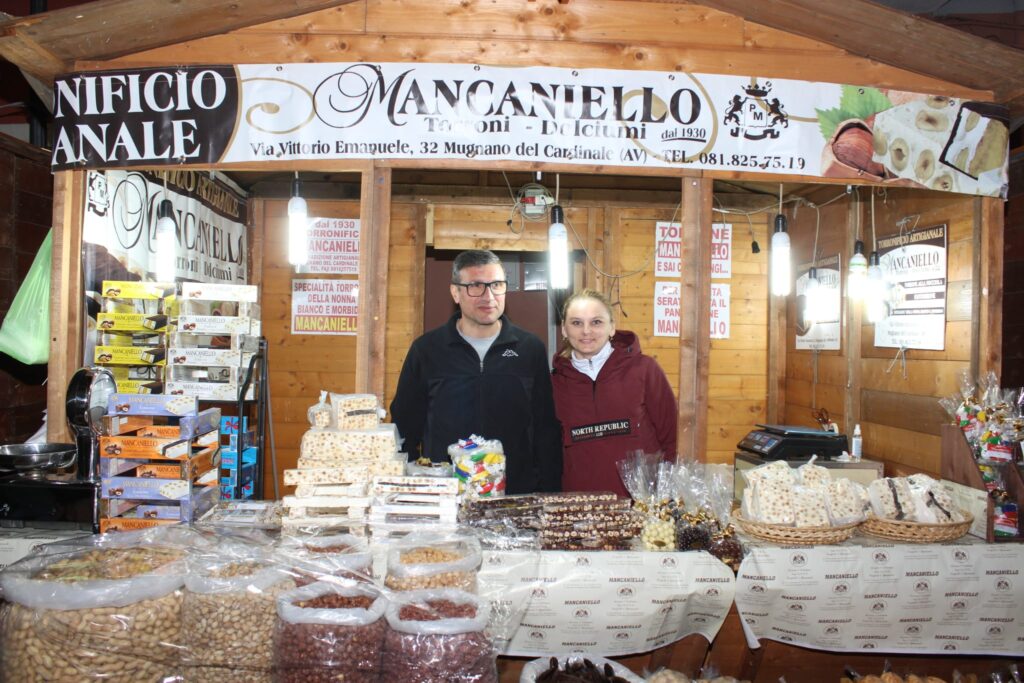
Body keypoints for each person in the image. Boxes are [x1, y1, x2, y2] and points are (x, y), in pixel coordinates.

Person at [390, 249, 562, 494]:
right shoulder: (427, 350)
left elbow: (546, 430)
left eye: (497, 285)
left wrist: (549, 493)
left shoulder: (529, 349)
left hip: (515, 497)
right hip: (446, 496)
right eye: (476, 286)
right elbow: (404, 428)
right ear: (455, 293)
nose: (488, 296)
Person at [551, 288, 677, 497]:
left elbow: (670, 437)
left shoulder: (645, 370)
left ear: (612, 328)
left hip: (640, 504)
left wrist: (664, 495)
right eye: (576, 323)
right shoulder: (554, 383)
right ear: (564, 330)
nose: (586, 331)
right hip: (579, 506)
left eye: (596, 322)